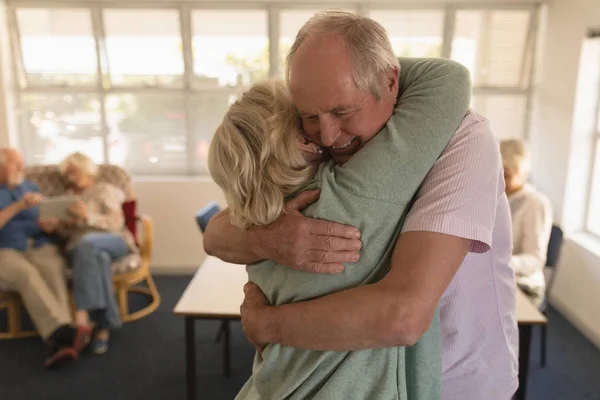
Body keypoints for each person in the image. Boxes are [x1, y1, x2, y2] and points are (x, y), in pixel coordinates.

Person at [205, 11, 518, 400]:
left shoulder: (463, 139)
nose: (328, 135)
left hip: (457, 377)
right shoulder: (322, 181)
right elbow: (216, 232)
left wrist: (269, 325)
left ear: (390, 80)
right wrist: (268, 239)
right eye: (308, 117)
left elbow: (403, 316)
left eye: (342, 111)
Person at [0, 148, 91, 368]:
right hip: (6, 250)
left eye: (21, 163)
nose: (21, 168)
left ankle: (62, 340)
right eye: (15, 164)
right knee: (26, 274)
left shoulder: (32, 188)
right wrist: (19, 206)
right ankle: (64, 334)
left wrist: (51, 224)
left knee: (53, 267)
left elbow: (49, 219)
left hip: (39, 243)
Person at [40, 152, 136, 355]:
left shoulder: (104, 190)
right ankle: (103, 326)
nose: (69, 177)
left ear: (87, 170)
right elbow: (65, 235)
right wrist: (58, 225)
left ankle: (82, 316)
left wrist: (87, 217)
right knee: (94, 255)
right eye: (67, 173)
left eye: (74, 172)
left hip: (113, 241)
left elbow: (115, 224)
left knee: (87, 244)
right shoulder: (66, 198)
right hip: (83, 249)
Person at [501, 138, 553, 307]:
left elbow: (535, 260)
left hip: (524, 285)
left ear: (521, 173)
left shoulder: (536, 204)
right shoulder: (499, 197)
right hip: (498, 277)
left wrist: (500, 262)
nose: (500, 179)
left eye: (507, 175)